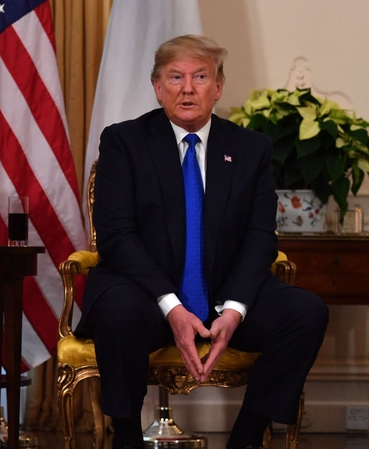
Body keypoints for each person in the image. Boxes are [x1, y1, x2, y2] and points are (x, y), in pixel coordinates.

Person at [75, 35, 328, 449]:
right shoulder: (124, 141)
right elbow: (117, 236)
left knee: (305, 312)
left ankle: (247, 436)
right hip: (146, 296)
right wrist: (172, 306)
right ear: (158, 88)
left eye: (200, 76)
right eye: (175, 77)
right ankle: (125, 435)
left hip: (223, 294)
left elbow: (260, 237)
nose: (187, 88)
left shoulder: (251, 148)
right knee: (118, 310)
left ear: (218, 87)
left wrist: (235, 310)